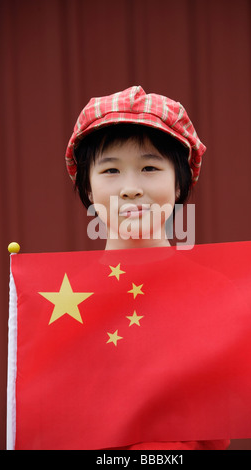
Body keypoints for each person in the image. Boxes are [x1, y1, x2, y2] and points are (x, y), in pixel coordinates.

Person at [65, 85, 230, 450]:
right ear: (88, 188)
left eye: (150, 167)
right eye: (110, 170)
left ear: (179, 184)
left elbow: (223, 426)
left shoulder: (216, 292)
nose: (130, 188)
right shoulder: (61, 300)